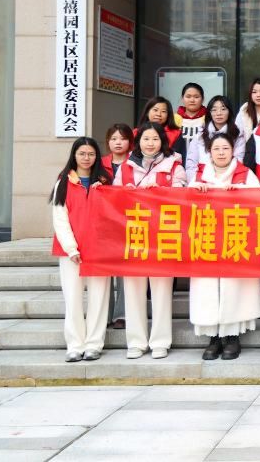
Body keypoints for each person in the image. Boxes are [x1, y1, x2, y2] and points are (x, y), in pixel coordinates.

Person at [113, 122, 187, 359]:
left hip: (163, 235)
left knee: (162, 290)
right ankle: (136, 342)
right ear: (138, 142)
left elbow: (183, 197)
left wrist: (163, 193)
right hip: (134, 233)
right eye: (146, 139)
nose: (150, 143)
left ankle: (160, 341)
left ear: (162, 141)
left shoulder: (174, 165)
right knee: (133, 289)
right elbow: (113, 200)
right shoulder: (125, 167)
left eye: (155, 139)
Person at [188, 136, 260, 361]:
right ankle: (213, 338)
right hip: (207, 238)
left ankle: (232, 337)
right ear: (209, 152)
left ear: (233, 151)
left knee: (235, 287)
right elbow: (184, 203)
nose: (221, 152)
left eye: (225, 148)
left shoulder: (245, 175)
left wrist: (242, 192)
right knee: (207, 288)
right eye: (216, 149)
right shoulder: (199, 175)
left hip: (235, 237)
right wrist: (195, 191)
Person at [50, 137, 111, 362]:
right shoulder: (64, 182)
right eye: (82, 153)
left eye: (91, 154)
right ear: (74, 155)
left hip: (100, 249)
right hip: (71, 252)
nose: (86, 158)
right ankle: (75, 345)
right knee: (73, 298)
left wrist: (104, 192)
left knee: (99, 298)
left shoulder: (105, 182)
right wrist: (71, 248)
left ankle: (94, 344)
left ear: (97, 157)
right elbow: (60, 217)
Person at [101, 123, 133, 329]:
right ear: (108, 142)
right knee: (104, 271)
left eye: (122, 138)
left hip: (127, 221)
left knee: (123, 269)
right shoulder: (99, 163)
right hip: (104, 222)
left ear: (130, 141)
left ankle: (121, 314)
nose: (118, 142)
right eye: (114, 139)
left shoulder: (135, 163)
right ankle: (104, 314)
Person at [185, 95, 245, 182]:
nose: (219, 113)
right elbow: (191, 164)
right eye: (214, 110)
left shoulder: (237, 134)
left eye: (223, 109)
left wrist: (222, 183)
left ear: (229, 112)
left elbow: (238, 162)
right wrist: (196, 183)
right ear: (209, 113)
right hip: (202, 183)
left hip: (228, 183)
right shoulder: (200, 134)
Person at [174, 82, 207, 149]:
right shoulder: (173, 119)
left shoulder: (208, 118)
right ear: (182, 98)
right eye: (188, 97)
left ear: (203, 99)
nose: (192, 100)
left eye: (196, 97)